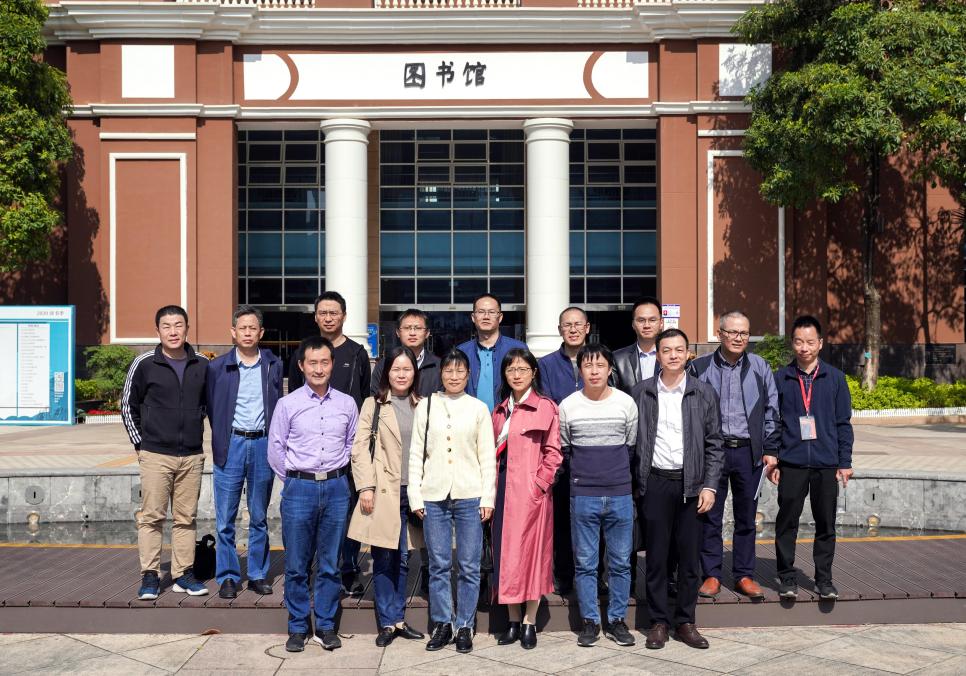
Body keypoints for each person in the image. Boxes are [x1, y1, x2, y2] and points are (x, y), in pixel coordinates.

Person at [632, 328, 724, 651]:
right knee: (656, 557)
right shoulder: (641, 392)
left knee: (689, 558)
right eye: (666, 350)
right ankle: (658, 622)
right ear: (657, 355)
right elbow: (632, 441)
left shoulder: (703, 392)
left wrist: (710, 486)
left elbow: (715, 443)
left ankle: (685, 621)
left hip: (692, 484)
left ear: (688, 354)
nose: (673, 355)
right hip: (655, 482)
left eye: (679, 350)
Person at [269, 336, 359, 653]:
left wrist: (336, 474)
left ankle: (325, 625)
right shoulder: (288, 404)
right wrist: (295, 480)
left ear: (332, 364)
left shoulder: (347, 404)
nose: (318, 369)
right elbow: (276, 449)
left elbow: (352, 444)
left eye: (324, 362)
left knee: (330, 563)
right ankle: (297, 626)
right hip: (299, 488)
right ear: (301, 365)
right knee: (296, 564)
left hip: (336, 488)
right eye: (312, 363)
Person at [409, 349, 496, 654]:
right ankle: (442, 623)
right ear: (441, 374)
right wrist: (415, 494)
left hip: (470, 494)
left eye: (460, 371)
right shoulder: (426, 406)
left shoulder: (478, 408)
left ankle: (465, 625)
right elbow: (416, 453)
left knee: (469, 565)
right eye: (449, 370)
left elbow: (487, 456)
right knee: (439, 565)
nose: (454, 376)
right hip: (434, 495)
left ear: (468, 375)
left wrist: (488, 497)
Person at [122, 305, 210, 600]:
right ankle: (150, 575)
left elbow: (208, 405)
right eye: (167, 326)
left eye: (178, 325)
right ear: (157, 330)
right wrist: (141, 445)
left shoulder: (201, 364)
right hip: (155, 454)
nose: (173, 331)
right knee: (152, 517)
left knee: (186, 518)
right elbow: (127, 406)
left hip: (191, 455)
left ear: (187, 328)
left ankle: (183, 573)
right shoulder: (145, 363)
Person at [287, 291, 371, 595]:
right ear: (315, 317)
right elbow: (293, 399)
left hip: (347, 449)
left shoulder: (357, 353)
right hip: (310, 453)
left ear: (344, 316)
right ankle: (313, 572)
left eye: (334, 312)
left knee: (346, 514)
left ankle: (348, 569)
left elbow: (365, 398)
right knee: (309, 519)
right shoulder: (304, 352)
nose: (328, 317)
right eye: (323, 312)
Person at [691, 311, 779, 601]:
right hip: (713, 452)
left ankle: (743, 574)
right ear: (720, 334)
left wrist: (770, 449)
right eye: (732, 332)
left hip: (748, 453)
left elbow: (772, 410)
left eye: (744, 333)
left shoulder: (759, 367)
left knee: (746, 518)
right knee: (709, 516)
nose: (738, 338)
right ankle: (712, 574)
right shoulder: (700, 367)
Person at [559, 343, 638, 648]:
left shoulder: (626, 403)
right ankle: (590, 621)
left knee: (620, 563)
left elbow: (630, 446)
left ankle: (617, 620)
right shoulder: (568, 405)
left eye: (600, 365)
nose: (594, 371)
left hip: (619, 493)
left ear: (609, 369)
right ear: (580, 370)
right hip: (583, 494)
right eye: (588, 365)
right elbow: (566, 448)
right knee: (585, 563)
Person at [769, 315, 854, 601]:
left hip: (825, 463)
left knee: (826, 523)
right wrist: (775, 457)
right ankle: (787, 577)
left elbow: (843, 423)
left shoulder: (835, 378)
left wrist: (845, 461)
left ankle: (824, 580)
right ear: (792, 343)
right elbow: (774, 421)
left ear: (820, 343)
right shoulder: (781, 378)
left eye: (809, 342)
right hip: (792, 463)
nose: (803, 348)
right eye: (798, 342)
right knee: (787, 522)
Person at [347, 346, 426, 647]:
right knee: (383, 556)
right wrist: (365, 487)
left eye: (407, 369)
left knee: (404, 557)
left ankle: (399, 618)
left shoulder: (423, 405)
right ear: (386, 372)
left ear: (414, 372)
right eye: (396, 369)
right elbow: (359, 448)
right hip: (383, 491)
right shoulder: (374, 404)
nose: (402, 374)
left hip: (412, 492)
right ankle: (387, 622)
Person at [206, 305, 283, 599]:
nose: (247, 333)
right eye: (242, 328)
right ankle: (227, 576)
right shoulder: (218, 367)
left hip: (262, 444)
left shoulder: (273, 364)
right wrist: (222, 434)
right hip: (231, 444)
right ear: (233, 332)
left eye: (253, 328)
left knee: (259, 515)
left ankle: (258, 574)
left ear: (260, 332)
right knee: (225, 518)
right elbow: (211, 406)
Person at [491, 348, 562, 650]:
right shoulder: (499, 411)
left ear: (534, 372)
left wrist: (539, 485)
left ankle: (529, 621)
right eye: (511, 370)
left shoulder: (545, 408)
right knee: (506, 555)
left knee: (533, 556)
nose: (517, 374)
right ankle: (512, 619)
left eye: (522, 369)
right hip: (502, 490)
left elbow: (553, 452)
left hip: (532, 493)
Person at [457, 293, 527, 413]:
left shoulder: (517, 349)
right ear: (473, 317)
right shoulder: (462, 352)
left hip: (508, 418)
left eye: (492, 312)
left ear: (500, 317)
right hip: (470, 419)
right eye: (481, 312)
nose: (486, 316)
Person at [371, 308, 442, 398]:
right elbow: (376, 397)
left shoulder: (439, 366)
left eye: (418, 328)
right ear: (398, 332)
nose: (412, 333)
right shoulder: (383, 365)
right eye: (407, 328)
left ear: (427, 333)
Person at [613, 297, 664, 395]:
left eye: (652, 320)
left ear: (661, 323)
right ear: (633, 324)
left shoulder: (672, 357)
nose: (647, 325)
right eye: (641, 320)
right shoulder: (618, 359)